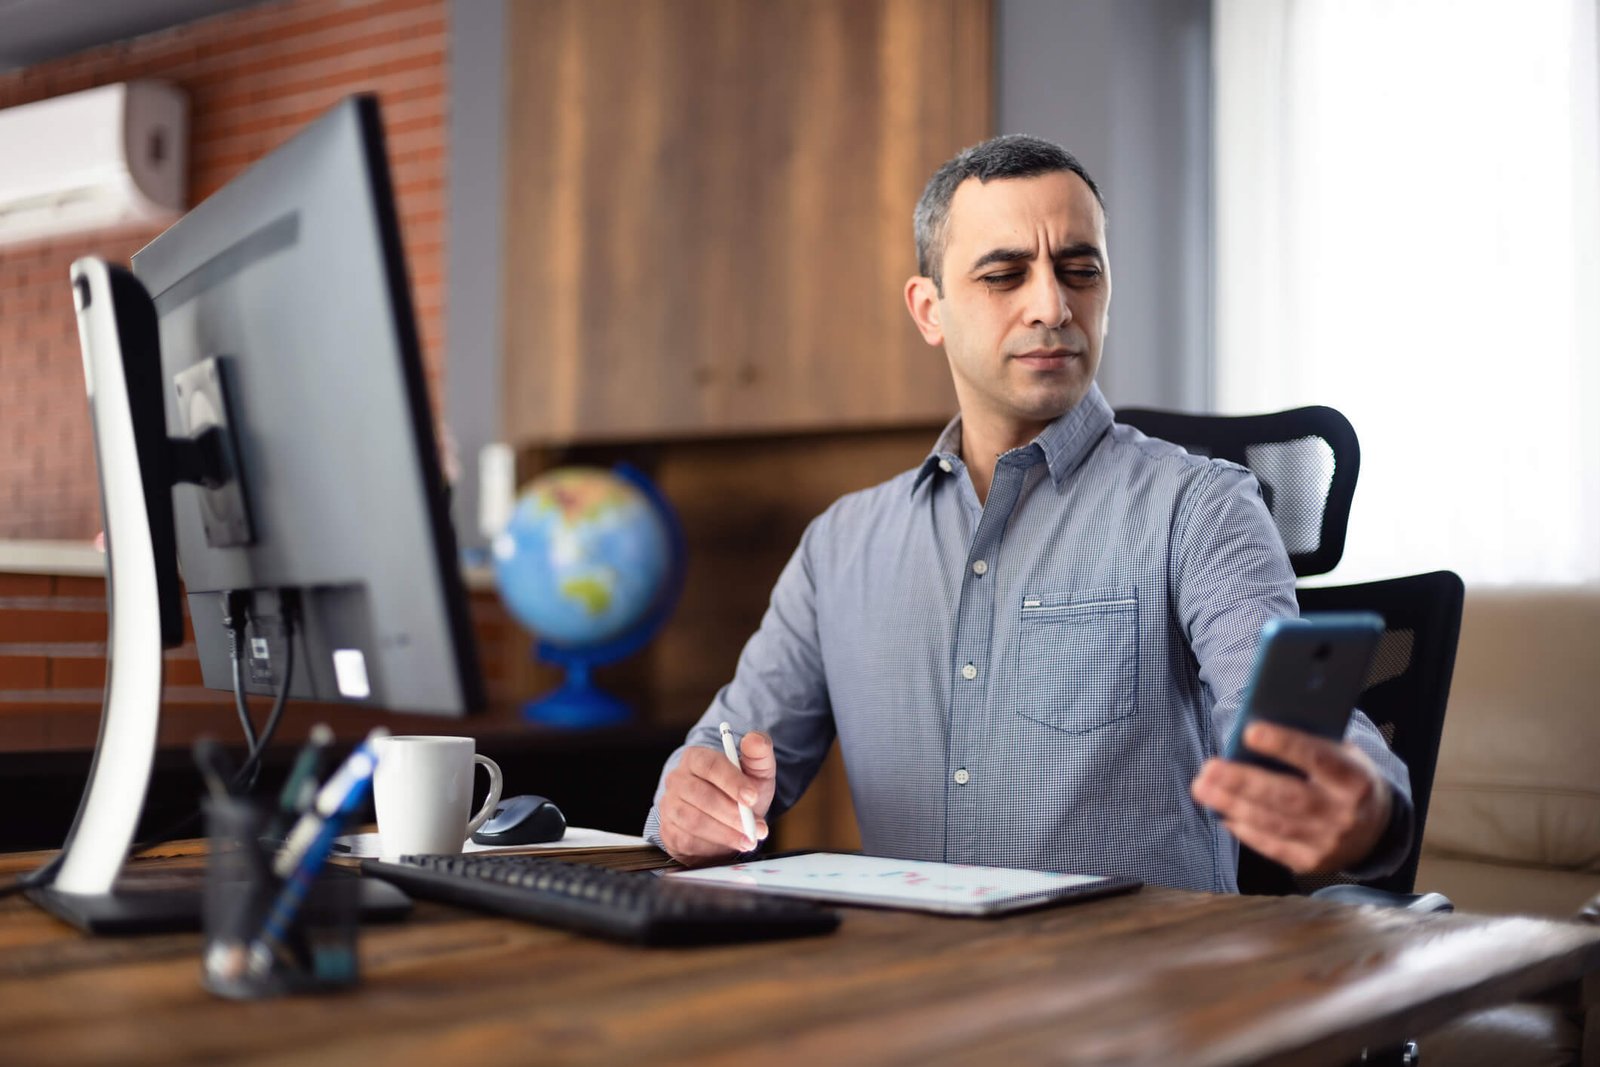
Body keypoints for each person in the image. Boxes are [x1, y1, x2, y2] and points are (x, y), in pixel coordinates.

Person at [642, 135, 1411, 891]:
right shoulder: (840, 547)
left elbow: (1304, 731)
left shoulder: (1202, 508)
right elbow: (721, 752)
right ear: (928, 309)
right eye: (1005, 274)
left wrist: (1364, 801)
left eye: (1080, 270)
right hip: (913, 994)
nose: (1052, 304)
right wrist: (693, 800)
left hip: (1137, 999)